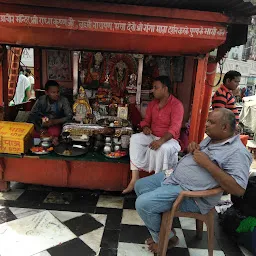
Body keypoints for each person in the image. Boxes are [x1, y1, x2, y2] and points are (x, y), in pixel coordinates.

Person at [135, 108, 252, 253]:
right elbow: (197, 157)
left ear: (224, 127)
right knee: (140, 185)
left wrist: (208, 164)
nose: (207, 124)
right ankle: (165, 232)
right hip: (174, 178)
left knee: (143, 204)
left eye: (211, 122)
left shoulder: (238, 153)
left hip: (191, 194)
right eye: (208, 120)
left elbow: (238, 190)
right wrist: (191, 149)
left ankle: (165, 239)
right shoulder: (213, 138)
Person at [122, 76, 184, 194]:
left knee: (163, 148)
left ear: (165, 89)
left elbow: (174, 129)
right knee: (135, 139)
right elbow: (146, 121)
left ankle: (160, 184)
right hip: (153, 136)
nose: (153, 90)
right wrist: (145, 128)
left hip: (169, 140)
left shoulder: (177, 105)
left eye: (156, 88)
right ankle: (135, 179)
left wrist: (160, 141)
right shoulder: (152, 104)